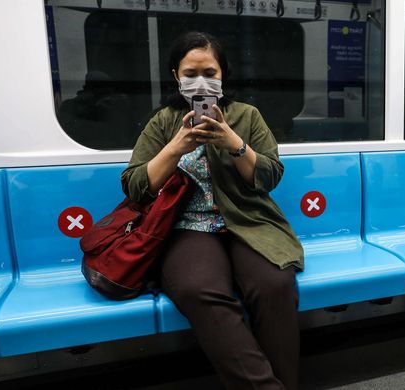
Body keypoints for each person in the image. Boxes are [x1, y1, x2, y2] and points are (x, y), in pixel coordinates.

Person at [121, 31, 303, 389]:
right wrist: (175, 148)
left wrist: (235, 144)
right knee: (198, 288)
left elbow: (270, 176)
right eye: (190, 73)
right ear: (176, 76)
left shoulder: (246, 116)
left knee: (274, 284)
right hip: (185, 227)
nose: (200, 81)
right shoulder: (163, 122)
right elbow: (135, 187)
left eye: (209, 72)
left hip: (248, 220)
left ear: (223, 76)